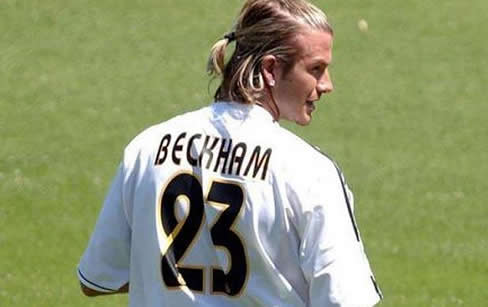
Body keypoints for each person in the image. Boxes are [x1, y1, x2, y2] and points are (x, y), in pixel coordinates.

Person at [77, 0, 383, 306]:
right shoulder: (310, 172)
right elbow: (346, 299)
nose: (326, 84)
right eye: (316, 69)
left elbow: (97, 278)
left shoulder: (147, 149)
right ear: (270, 69)